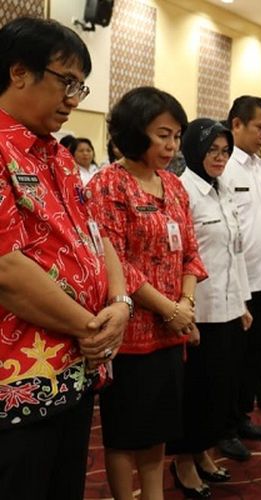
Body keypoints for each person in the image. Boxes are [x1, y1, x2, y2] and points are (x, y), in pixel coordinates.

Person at [0, 17, 130, 499]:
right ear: (19, 73)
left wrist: (120, 303)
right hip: (19, 380)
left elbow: (98, 237)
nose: (75, 97)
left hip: (76, 368)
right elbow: (6, 269)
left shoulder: (57, 155)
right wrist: (93, 327)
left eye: (81, 84)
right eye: (67, 81)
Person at [87, 86, 208, 500]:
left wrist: (185, 307)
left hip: (171, 330)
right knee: (125, 431)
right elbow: (115, 260)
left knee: (159, 425)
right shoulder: (109, 183)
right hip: (130, 333)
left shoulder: (174, 186)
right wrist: (170, 309)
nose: (172, 145)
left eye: (176, 135)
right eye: (163, 135)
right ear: (135, 131)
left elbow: (191, 253)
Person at [167, 118, 253, 498]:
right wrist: (183, 312)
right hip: (198, 311)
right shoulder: (183, 190)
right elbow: (179, 258)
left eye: (225, 150)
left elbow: (236, 252)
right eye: (212, 150)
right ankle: (183, 462)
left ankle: (202, 453)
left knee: (219, 388)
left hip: (229, 308)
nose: (219, 157)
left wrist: (244, 301)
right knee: (196, 391)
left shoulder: (223, 189)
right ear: (194, 150)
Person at [220, 96, 261, 461]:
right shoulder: (225, 166)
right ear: (236, 125)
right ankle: (225, 427)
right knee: (233, 359)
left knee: (256, 356)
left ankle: (243, 416)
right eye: (259, 126)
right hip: (237, 283)